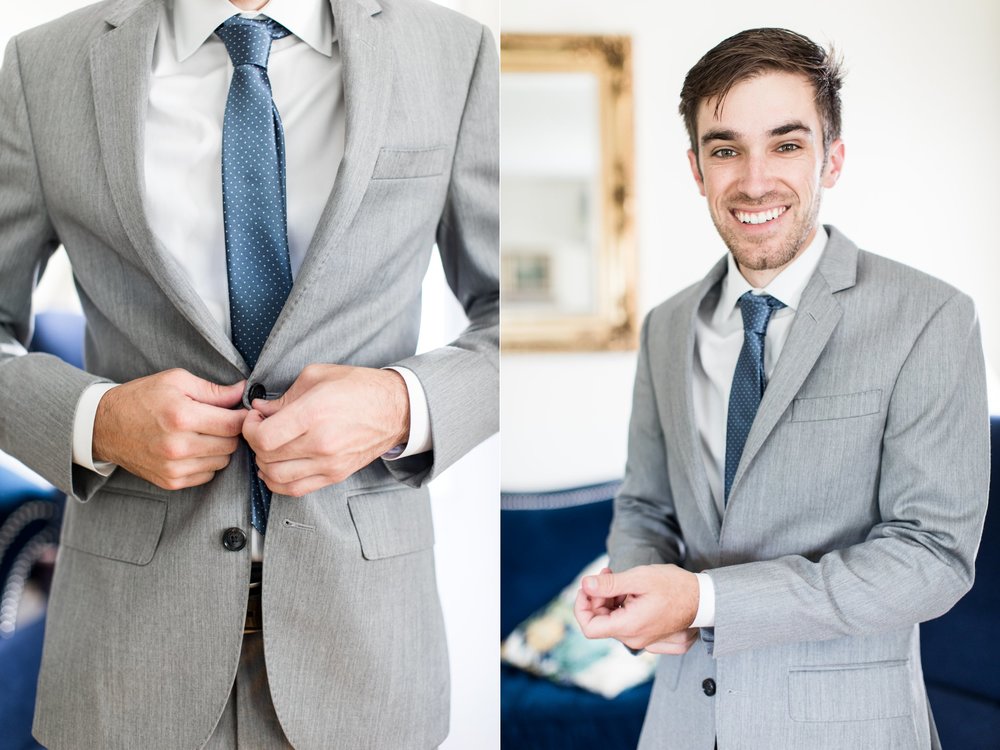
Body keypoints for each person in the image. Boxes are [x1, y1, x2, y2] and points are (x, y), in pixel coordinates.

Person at [0, 0, 497, 746]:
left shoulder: (454, 54)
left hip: (365, 662)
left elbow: (513, 316)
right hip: (125, 660)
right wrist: (94, 421)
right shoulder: (45, 67)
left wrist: (403, 404)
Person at [574, 27, 989, 750]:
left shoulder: (931, 318)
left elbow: (931, 558)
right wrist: (637, 593)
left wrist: (703, 600)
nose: (755, 178)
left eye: (787, 144)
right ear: (697, 168)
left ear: (832, 159)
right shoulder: (666, 327)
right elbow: (645, 504)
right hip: (676, 725)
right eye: (726, 147)